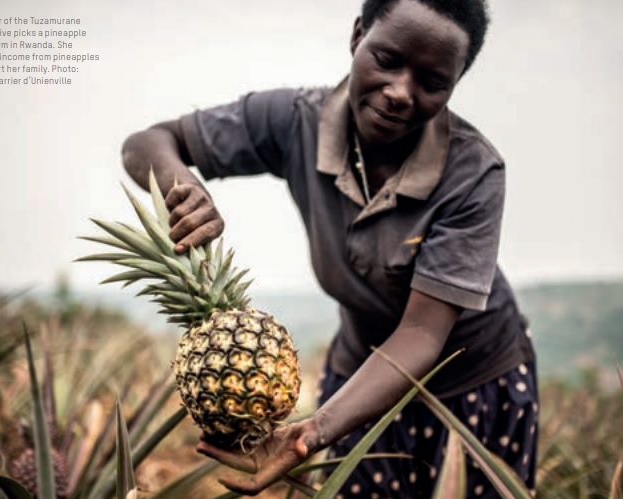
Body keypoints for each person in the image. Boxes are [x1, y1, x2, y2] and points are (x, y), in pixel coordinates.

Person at [121, 0, 538, 496]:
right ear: (358, 35)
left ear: (454, 84)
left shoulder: (474, 172)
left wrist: (312, 431)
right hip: (358, 374)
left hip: (472, 385)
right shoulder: (296, 120)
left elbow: (423, 332)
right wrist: (184, 187)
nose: (401, 93)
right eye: (387, 59)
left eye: (431, 83)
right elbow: (146, 144)